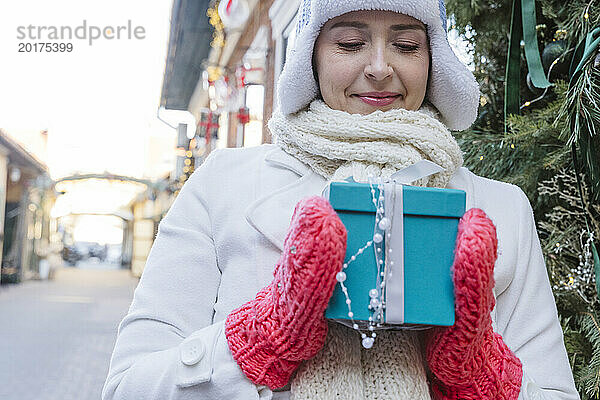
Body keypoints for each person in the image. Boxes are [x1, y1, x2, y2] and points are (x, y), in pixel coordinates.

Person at [102, 0, 580, 399]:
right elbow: (127, 387)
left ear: (432, 59)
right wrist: (262, 339)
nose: (378, 67)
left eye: (407, 44)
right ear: (312, 56)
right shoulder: (223, 186)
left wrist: (480, 374)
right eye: (349, 43)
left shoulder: (500, 208)